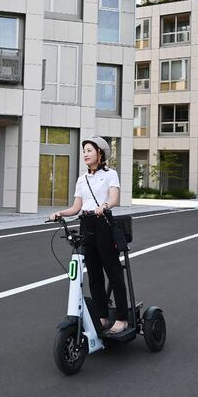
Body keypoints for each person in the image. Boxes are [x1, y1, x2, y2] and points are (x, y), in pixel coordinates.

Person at [49, 136, 127, 335]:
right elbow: (76, 208)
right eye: (84, 151)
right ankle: (101, 316)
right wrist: (60, 213)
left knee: (113, 270)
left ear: (100, 154)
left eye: (89, 150)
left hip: (103, 222)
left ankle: (121, 318)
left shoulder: (111, 174)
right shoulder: (82, 179)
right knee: (93, 274)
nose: (85, 154)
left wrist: (105, 206)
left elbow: (115, 198)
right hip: (86, 224)